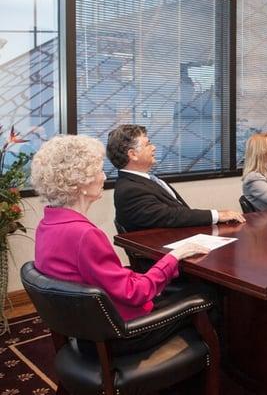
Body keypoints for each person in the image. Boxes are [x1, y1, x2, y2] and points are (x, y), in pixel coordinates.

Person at [31, 135, 209, 352]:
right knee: (206, 296)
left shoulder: (48, 223)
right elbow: (135, 294)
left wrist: (141, 274)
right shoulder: (84, 235)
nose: (104, 176)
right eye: (97, 171)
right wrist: (174, 256)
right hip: (121, 334)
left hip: (86, 329)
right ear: (80, 184)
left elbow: (104, 278)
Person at [106, 124, 245, 232]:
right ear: (133, 154)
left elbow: (180, 212)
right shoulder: (130, 190)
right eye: (148, 144)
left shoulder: (148, 179)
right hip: (164, 260)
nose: (153, 148)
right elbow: (171, 216)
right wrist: (217, 215)